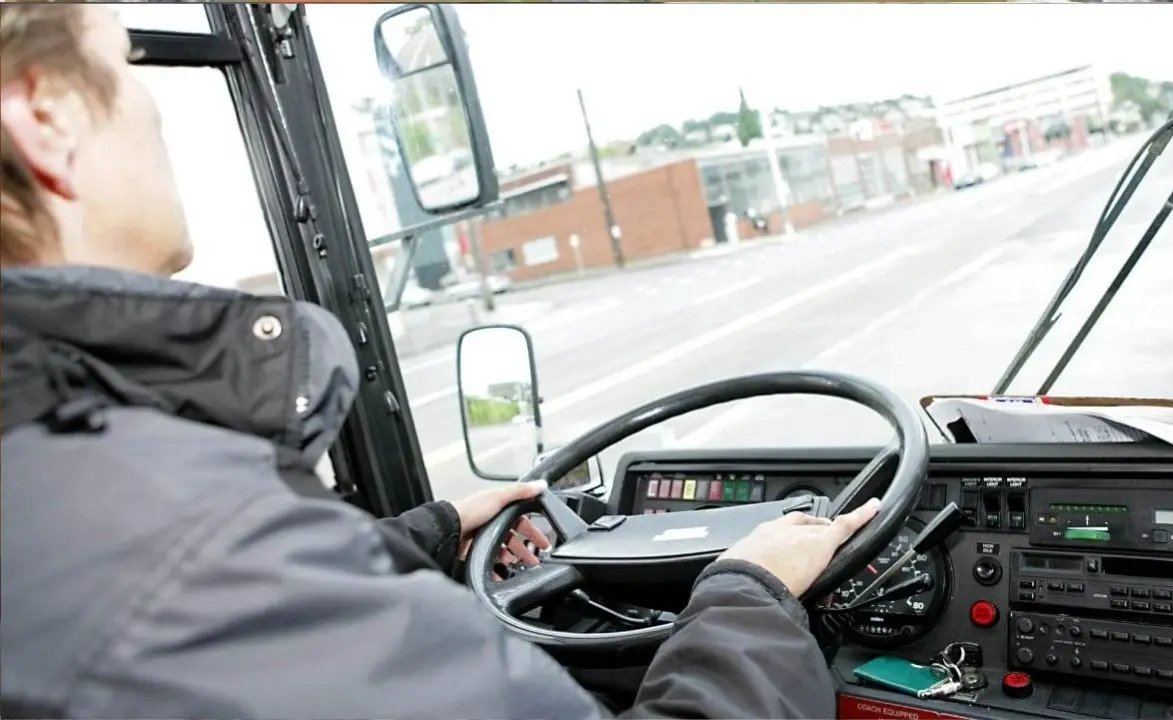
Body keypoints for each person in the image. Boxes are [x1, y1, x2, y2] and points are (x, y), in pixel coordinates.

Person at [0, 5, 883, 719]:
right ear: (48, 117)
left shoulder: (70, 492)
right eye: (125, 63)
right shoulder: (177, 545)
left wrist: (429, 532)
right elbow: (197, 589)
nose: (152, 111)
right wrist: (749, 588)